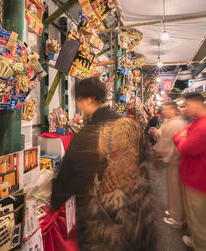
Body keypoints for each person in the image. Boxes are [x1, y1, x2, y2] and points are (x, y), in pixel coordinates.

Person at [51, 77, 157, 250]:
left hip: (101, 226)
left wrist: (55, 201)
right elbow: (145, 169)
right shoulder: (133, 127)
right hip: (137, 218)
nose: (79, 106)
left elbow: (65, 181)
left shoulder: (88, 134)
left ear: (89, 99)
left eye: (79, 101)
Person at [173, 92, 206, 250]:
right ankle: (197, 242)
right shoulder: (199, 122)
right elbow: (176, 137)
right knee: (195, 219)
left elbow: (187, 147)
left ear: (198, 104)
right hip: (193, 178)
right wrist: (184, 137)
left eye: (187, 104)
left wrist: (184, 138)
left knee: (204, 224)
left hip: (203, 182)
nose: (185, 108)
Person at [151, 101, 187, 228]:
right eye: (163, 109)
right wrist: (157, 133)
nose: (164, 112)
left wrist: (162, 153)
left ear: (173, 109)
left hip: (175, 161)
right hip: (173, 160)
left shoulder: (176, 123)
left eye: (166, 109)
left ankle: (177, 218)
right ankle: (174, 212)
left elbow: (171, 142)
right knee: (173, 188)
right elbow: (165, 137)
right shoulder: (171, 121)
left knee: (175, 189)